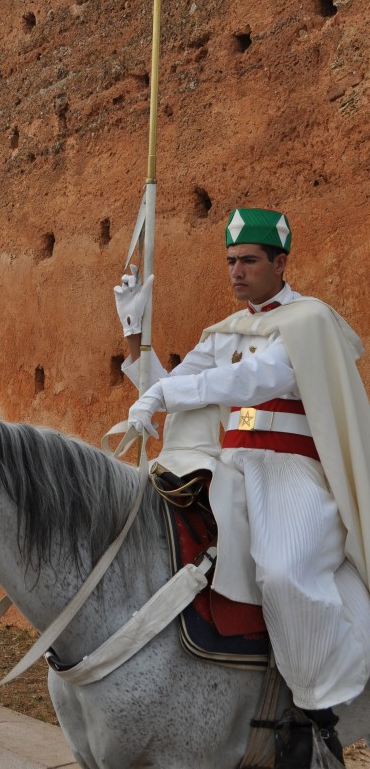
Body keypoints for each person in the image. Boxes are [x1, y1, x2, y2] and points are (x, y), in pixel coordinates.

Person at [114, 208, 370, 768]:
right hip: (230, 467)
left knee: (283, 572)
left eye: (249, 261)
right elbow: (177, 385)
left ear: (281, 262)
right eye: (230, 261)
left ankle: (317, 711)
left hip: (291, 475)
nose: (235, 271)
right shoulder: (226, 333)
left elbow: (256, 379)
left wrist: (167, 397)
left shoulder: (308, 323)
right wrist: (136, 344)